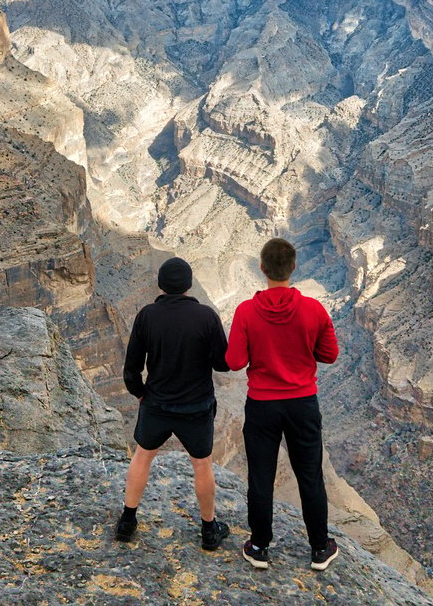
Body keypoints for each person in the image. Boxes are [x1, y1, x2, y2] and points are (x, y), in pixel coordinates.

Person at [226, 237, 340, 572]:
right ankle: (320, 548)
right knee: (310, 476)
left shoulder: (246, 311)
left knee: (260, 477)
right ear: (293, 268)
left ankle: (259, 546)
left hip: (262, 405)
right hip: (302, 403)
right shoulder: (314, 310)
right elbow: (330, 354)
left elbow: (234, 361)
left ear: (261, 268)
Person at [115, 257, 231, 551]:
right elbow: (223, 364)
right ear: (189, 285)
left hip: (157, 404)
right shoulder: (206, 317)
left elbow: (131, 368)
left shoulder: (146, 316)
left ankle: (127, 521)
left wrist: (140, 393)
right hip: (196, 407)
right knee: (202, 464)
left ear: (161, 285)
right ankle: (208, 529)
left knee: (143, 455)